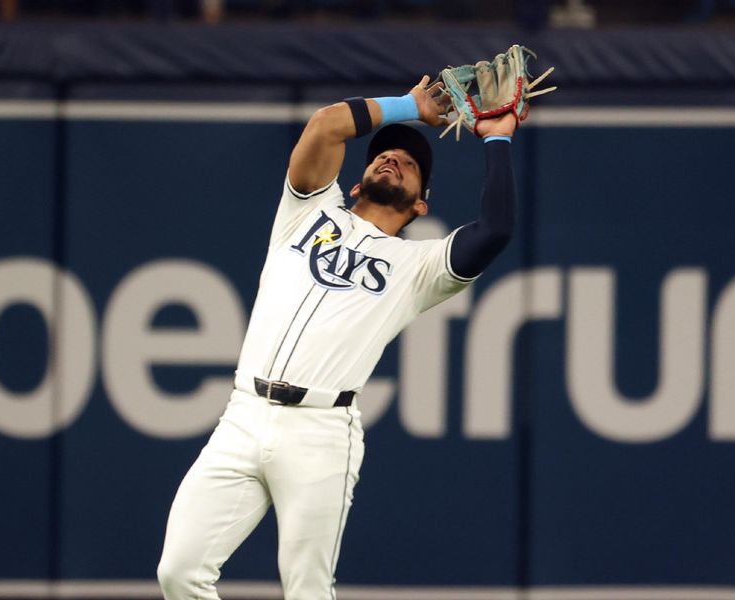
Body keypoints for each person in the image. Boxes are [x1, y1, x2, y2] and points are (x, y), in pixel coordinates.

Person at [156, 74, 517, 600]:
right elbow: (326, 126)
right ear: (354, 181)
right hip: (243, 416)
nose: (392, 160)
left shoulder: (418, 267)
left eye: (410, 164)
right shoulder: (304, 213)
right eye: (383, 156)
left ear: (420, 204)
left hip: (321, 433)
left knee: (307, 590)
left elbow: (496, 231)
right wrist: (407, 108)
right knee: (179, 572)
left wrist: (498, 137)